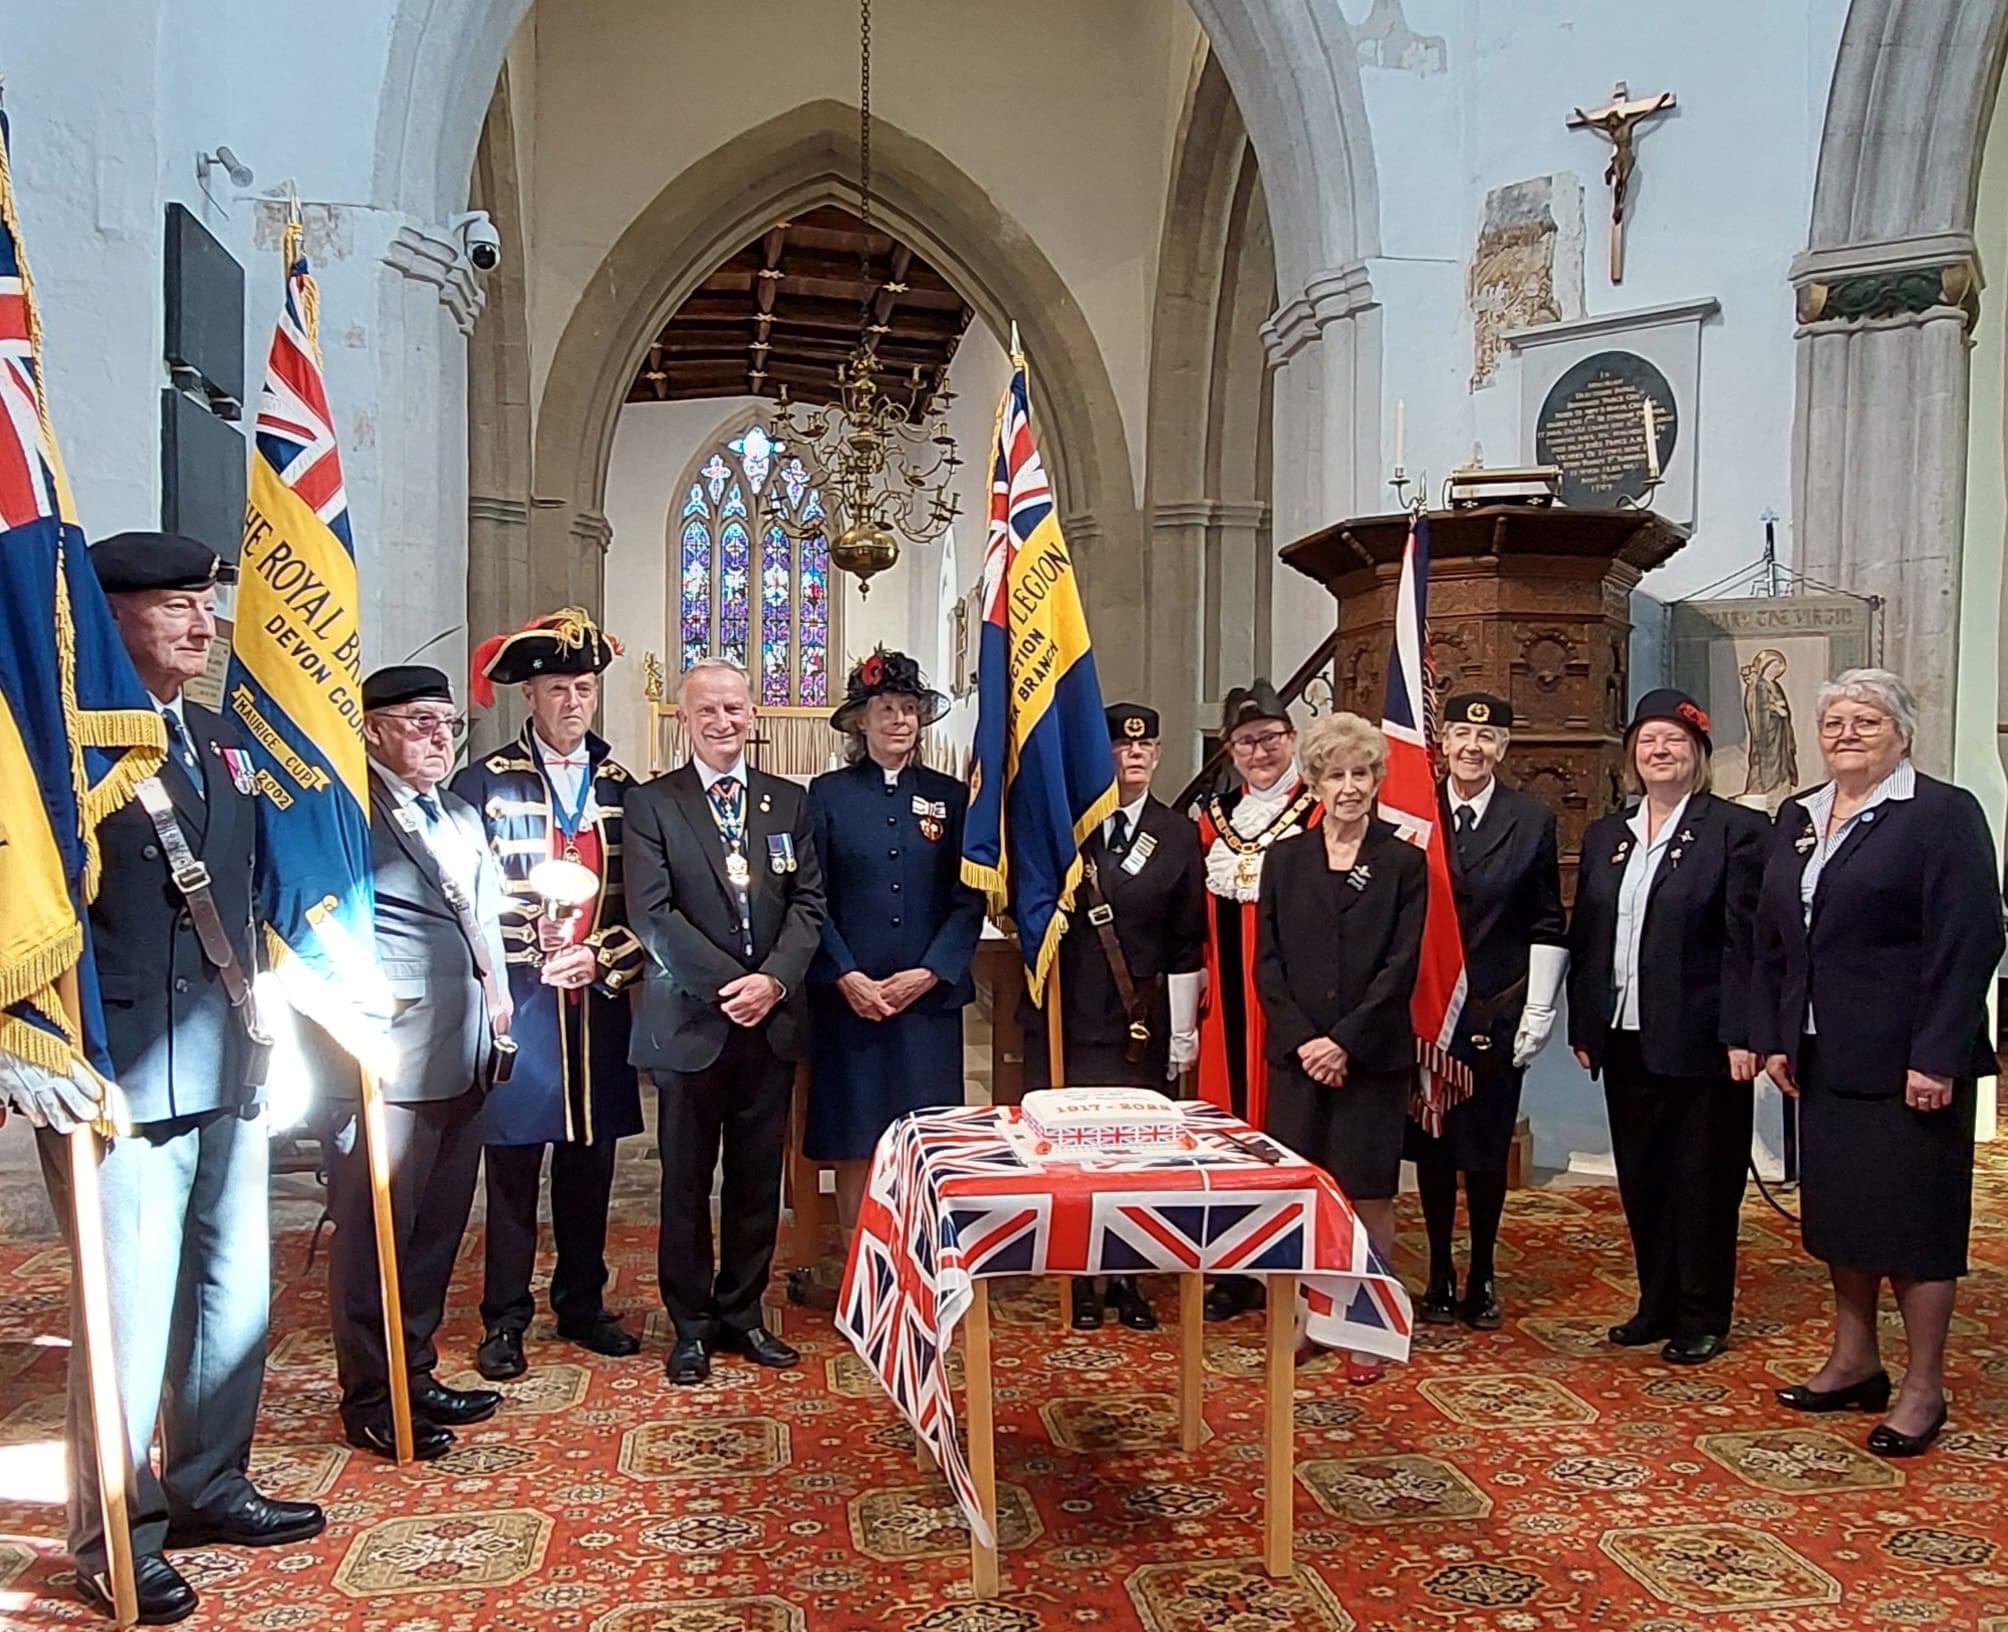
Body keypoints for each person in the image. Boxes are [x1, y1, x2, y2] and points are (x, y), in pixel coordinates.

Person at [2, 535, 322, 1624]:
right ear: (109, 622)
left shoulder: (221, 743)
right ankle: (114, 1533)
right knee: (128, 1316)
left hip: (227, 1054)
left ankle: (209, 1482)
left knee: (234, 1293)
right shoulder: (68, 750)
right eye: (175, 606)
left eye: (205, 603)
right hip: (121, 1072)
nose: (201, 624)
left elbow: (243, 895)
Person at [1752, 668, 2003, 1457]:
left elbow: (1971, 942)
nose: (1847, 734)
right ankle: (1855, 1360)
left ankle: (1923, 1387)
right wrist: (1777, 1034)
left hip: (1911, 1064)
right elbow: (1774, 938)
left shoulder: (1940, 814)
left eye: (1866, 721)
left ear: (1901, 733)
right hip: (1825, 1057)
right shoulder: (1799, 816)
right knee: (1844, 1218)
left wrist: (1936, 1057)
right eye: (1834, 723)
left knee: (1917, 1227)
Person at [316, 665, 511, 1461]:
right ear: (372, 729)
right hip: (388, 1058)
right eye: (420, 722)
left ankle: (416, 1366)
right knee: (375, 1235)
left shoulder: (460, 813)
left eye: (447, 723)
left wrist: (499, 1003)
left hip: (465, 1051)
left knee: (435, 1230)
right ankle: (370, 1395)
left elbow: (483, 918)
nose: (439, 737)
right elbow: (316, 924)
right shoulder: (344, 816)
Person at [453, 609, 646, 1380]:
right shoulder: (484, 785)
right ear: (528, 695)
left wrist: (601, 957)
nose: (574, 703)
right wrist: (526, 950)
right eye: (559, 688)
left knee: (590, 1162)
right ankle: (504, 1318)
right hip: (520, 1006)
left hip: (594, 1007)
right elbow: (460, 898)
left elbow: (645, 907)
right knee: (510, 1167)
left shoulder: (626, 790)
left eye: (586, 688)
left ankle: (581, 1303)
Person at [626, 657, 827, 1384]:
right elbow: (652, 914)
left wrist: (771, 982)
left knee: (753, 1182)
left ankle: (743, 1313)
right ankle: (691, 1326)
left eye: (734, 709)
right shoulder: (652, 804)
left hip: (768, 1025)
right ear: (685, 720)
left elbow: (809, 904)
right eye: (707, 711)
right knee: (685, 1184)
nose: (722, 723)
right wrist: (730, 986)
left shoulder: (788, 802)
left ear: (754, 715)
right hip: (689, 1026)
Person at [1567, 689, 1768, 1364]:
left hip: (1705, 1040)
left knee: (1703, 1181)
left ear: (1698, 754)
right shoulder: (1608, 836)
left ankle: (1702, 1312)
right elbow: (1590, 934)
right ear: (1632, 756)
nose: (1660, 752)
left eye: (1674, 742)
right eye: (1648, 742)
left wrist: (1746, 1033)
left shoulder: (1734, 831)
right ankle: (1655, 1302)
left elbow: (1750, 943)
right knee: (1643, 1177)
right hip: (1624, 1037)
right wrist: (1585, 1021)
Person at [1023, 702, 1206, 1331]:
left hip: (1140, 1023)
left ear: (1156, 754)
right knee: (1074, 1153)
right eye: (1120, 747)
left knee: (1135, 1154)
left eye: (1144, 746)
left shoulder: (1177, 833)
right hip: (1071, 1015)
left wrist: (1183, 1030)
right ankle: (1079, 1275)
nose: (1133, 755)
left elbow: (1187, 939)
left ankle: (1128, 1274)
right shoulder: (1064, 827)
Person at [1254, 712, 1426, 1384]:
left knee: (1367, 1194)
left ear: (1377, 779)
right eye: (1335, 775)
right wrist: (1304, 1042)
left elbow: (1400, 967)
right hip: (1298, 1060)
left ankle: (1365, 1325)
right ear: (1315, 782)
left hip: (1369, 1058)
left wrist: (1342, 1041)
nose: (1349, 787)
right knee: (1303, 1194)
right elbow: (1267, 964)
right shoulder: (1285, 858)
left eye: (1360, 774)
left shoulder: (1403, 861)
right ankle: (1307, 1318)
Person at [804, 649, 982, 1287]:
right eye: (886, 710)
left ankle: (922, 1260)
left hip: (924, 1003)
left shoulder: (951, 798)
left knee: (926, 1135)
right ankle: (861, 1267)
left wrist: (930, 972)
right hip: (850, 1000)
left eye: (909, 710)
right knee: (857, 1135)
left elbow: (969, 899)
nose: (900, 722)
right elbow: (810, 897)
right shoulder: (825, 797)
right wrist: (845, 974)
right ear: (860, 721)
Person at [1405, 692, 1566, 1330]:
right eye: (1462, 736)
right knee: (1432, 1145)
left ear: (1504, 748)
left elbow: (1547, 917)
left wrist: (1539, 1008)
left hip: (1494, 1011)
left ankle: (1483, 1272)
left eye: (1489, 738)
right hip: (1426, 1010)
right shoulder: (1413, 813)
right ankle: (1440, 1269)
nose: (1473, 747)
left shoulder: (1530, 818)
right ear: (1442, 741)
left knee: (1486, 1148)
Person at [1196, 680, 1322, 1321]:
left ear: (1292, 739)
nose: (1260, 752)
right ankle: (1234, 1266)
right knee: (1227, 1136)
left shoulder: (1323, 811)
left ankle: (1295, 1267)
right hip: (1226, 1007)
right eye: (1246, 742)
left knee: (1288, 1131)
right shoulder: (1212, 822)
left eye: (1270, 738)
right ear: (1230, 750)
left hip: (1294, 1003)